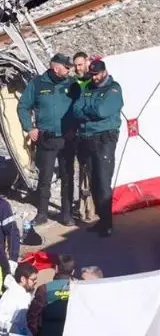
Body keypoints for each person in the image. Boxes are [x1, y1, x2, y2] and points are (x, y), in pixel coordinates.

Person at [18, 53, 77, 226]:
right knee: (45, 178)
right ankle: (42, 213)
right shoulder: (37, 83)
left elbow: (81, 105)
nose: (69, 70)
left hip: (67, 139)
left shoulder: (72, 84)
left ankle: (66, 214)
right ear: (55, 67)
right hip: (46, 139)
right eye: (66, 67)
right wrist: (29, 128)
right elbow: (23, 106)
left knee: (68, 177)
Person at [72, 59, 124, 237]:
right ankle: (101, 219)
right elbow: (76, 109)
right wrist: (89, 111)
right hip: (88, 139)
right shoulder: (88, 88)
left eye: (97, 75)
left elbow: (103, 111)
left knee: (103, 180)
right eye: (92, 75)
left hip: (104, 140)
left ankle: (107, 223)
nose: (94, 78)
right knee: (93, 181)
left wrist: (88, 110)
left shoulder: (113, 89)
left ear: (104, 72)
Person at [27, 254, 76, 336]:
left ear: (56, 269)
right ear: (73, 272)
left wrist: (38, 334)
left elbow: (32, 316)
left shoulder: (44, 289)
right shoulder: (79, 288)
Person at [72, 51, 95, 222]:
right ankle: (82, 208)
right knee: (82, 171)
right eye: (76, 65)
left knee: (92, 171)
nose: (77, 68)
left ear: (87, 62)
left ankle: (92, 209)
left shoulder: (93, 81)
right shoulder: (74, 83)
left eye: (80, 64)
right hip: (78, 133)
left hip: (91, 132)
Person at [0, 262, 38, 336]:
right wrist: (15, 332)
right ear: (23, 279)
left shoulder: (25, 293)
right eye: (33, 279)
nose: (35, 282)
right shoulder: (11, 295)